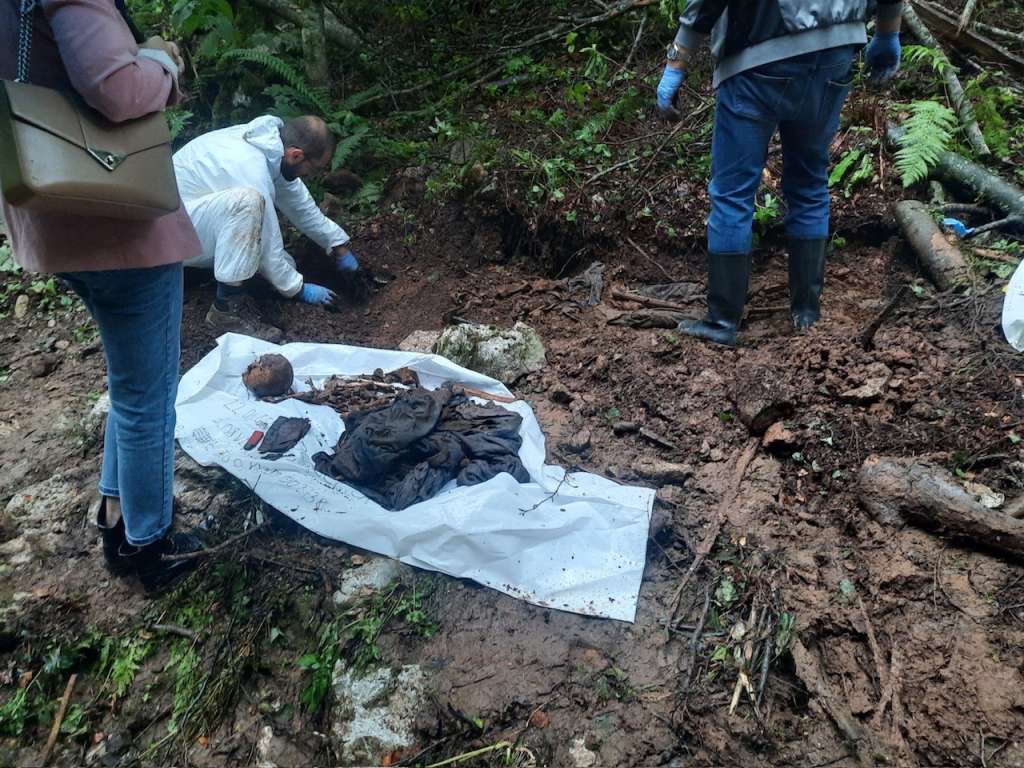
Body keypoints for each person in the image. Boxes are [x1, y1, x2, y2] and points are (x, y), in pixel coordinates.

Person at [0, 0, 202, 589]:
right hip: (118, 221)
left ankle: (116, 515)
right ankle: (149, 545)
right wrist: (161, 64)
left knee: (131, 385)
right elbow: (115, 89)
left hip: (54, 215)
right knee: (149, 397)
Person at [656, 0, 904, 346]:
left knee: (733, 192)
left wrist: (678, 57)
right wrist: (888, 31)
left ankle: (722, 322)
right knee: (810, 181)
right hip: (836, 50)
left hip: (758, 53)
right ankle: (807, 313)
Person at [172, 115, 361, 342]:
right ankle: (226, 310)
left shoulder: (270, 150)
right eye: (315, 169)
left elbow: (300, 205)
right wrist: (298, 289)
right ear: (296, 155)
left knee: (283, 265)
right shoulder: (250, 164)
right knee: (248, 205)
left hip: (190, 224)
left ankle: (198, 274)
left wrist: (338, 245)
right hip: (170, 236)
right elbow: (267, 240)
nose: (313, 176)